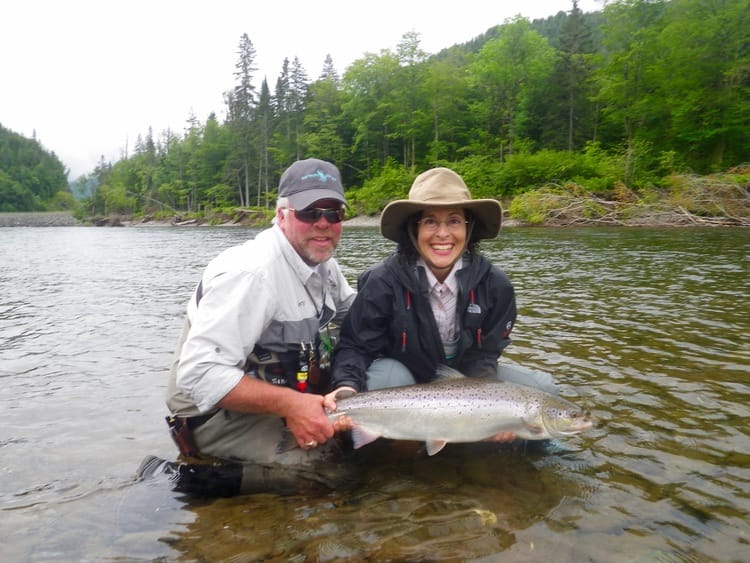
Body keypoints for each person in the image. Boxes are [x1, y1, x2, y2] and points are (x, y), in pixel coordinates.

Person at [164, 158, 358, 494]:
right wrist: (292, 406)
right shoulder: (250, 275)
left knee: (357, 443)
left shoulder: (326, 266)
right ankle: (187, 482)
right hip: (210, 414)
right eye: (310, 212)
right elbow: (199, 375)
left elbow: (360, 321)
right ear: (282, 215)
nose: (323, 223)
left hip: (281, 394)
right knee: (326, 467)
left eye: (334, 213)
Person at [325, 167, 557, 443]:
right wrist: (346, 387)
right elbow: (356, 346)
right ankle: (388, 457)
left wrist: (486, 415)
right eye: (430, 222)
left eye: (454, 221)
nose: (443, 234)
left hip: (462, 383)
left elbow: (485, 355)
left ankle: (540, 454)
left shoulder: (496, 286)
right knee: (383, 380)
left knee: (543, 390)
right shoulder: (382, 281)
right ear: (414, 229)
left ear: (468, 229)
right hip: (403, 379)